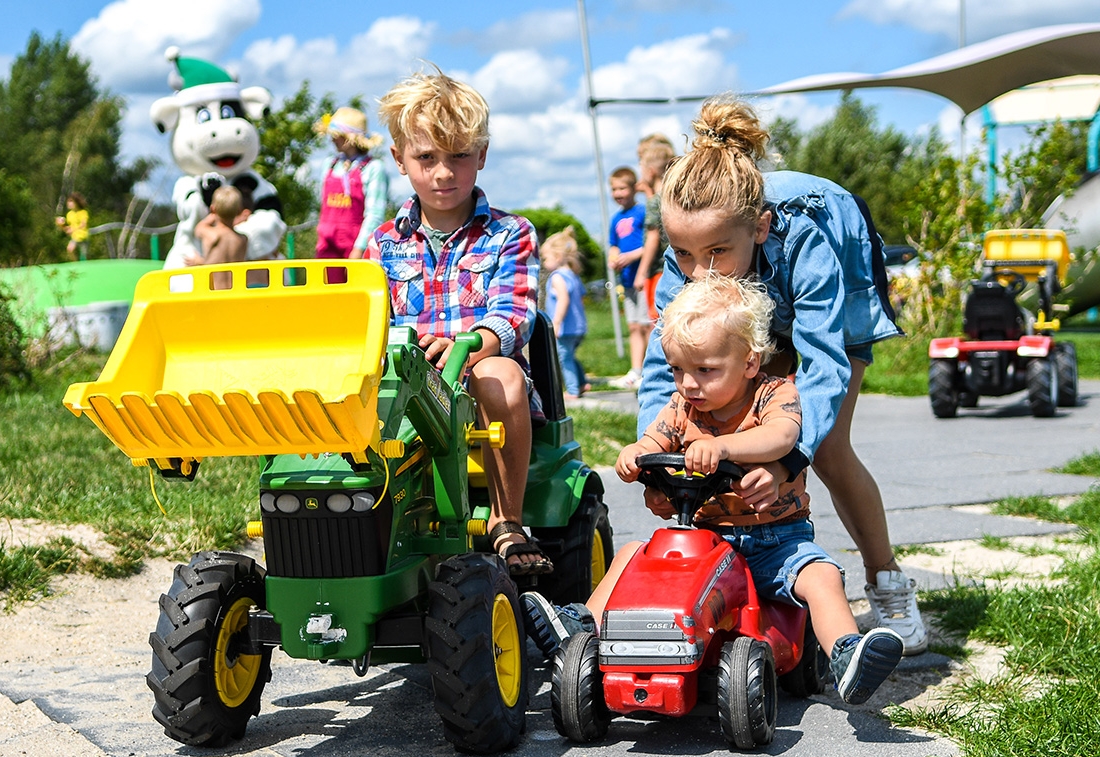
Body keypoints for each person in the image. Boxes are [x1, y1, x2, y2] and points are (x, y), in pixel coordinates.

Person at [521, 273, 904, 705]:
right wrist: (636, 454)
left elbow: (782, 436)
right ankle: (580, 625)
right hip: (707, 541)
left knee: (822, 576)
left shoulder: (775, 395)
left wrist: (720, 447)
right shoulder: (683, 406)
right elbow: (656, 438)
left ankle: (847, 655)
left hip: (776, 541)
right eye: (678, 370)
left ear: (749, 362)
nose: (688, 384)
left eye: (704, 370)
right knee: (632, 554)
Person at [638, 95, 927, 654]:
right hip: (748, 307)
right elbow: (661, 366)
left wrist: (788, 458)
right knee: (719, 427)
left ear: (761, 226)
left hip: (826, 285)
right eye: (684, 254)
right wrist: (659, 459)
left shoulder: (805, 234)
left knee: (828, 447)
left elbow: (822, 359)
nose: (700, 273)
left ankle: (886, 579)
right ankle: (748, 575)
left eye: (717, 252)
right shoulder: (691, 265)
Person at [367, 66, 549, 576]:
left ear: (482, 157)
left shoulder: (510, 233)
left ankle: (505, 519)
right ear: (400, 159)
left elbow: (514, 311)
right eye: (426, 158)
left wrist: (473, 346)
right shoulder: (382, 245)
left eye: (459, 157)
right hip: (408, 378)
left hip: (477, 375)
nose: (443, 173)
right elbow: (369, 320)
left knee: (505, 378)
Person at [313, 106, 390, 259]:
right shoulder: (330, 165)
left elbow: (374, 214)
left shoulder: (372, 168)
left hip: (355, 248)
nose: (332, 139)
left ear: (350, 138)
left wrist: (359, 249)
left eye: (337, 135)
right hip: (327, 247)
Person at [607, 166, 647, 389]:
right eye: (614, 189)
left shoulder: (642, 212)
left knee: (647, 325)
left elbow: (650, 245)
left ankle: (649, 369)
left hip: (643, 278)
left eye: (622, 188)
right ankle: (635, 370)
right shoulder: (616, 219)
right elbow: (613, 244)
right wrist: (614, 257)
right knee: (633, 326)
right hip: (628, 279)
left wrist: (630, 257)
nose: (618, 193)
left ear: (634, 188)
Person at [541, 226, 589, 399]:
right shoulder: (573, 275)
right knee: (570, 355)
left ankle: (573, 389)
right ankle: (583, 382)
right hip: (578, 326)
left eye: (546, 258)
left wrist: (557, 322)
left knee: (564, 358)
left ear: (558, 257)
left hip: (565, 328)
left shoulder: (557, 277)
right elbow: (581, 297)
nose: (544, 263)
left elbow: (563, 299)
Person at [633, 133, 676, 323]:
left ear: (650, 171)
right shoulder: (672, 198)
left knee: (658, 321)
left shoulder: (654, 203)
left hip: (657, 271)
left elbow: (653, 238)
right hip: (673, 266)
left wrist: (641, 273)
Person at [55, 192, 89, 260]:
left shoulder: (83, 212)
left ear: (76, 202)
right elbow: (68, 229)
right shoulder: (69, 214)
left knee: (83, 255)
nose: (68, 203)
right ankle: (76, 264)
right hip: (75, 237)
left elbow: (83, 224)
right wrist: (60, 225)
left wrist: (73, 229)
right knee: (70, 250)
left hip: (83, 236)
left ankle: (83, 265)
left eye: (71, 201)